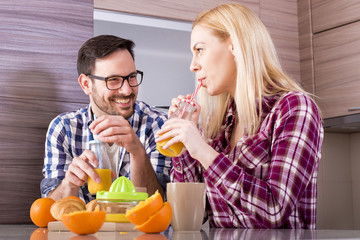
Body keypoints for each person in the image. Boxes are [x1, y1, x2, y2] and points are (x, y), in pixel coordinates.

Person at [156, 3, 323, 229]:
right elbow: (192, 216)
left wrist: (205, 153)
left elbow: (274, 210)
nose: (192, 65)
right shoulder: (219, 124)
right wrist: (184, 146)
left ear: (234, 46)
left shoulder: (294, 108)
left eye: (199, 49)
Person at [41, 35, 172, 203]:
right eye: (113, 80)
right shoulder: (64, 129)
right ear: (86, 84)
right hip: (85, 229)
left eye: (131, 77)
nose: (127, 90)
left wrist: (138, 152)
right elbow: (50, 211)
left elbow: (160, 205)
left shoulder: (159, 125)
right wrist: (69, 184)